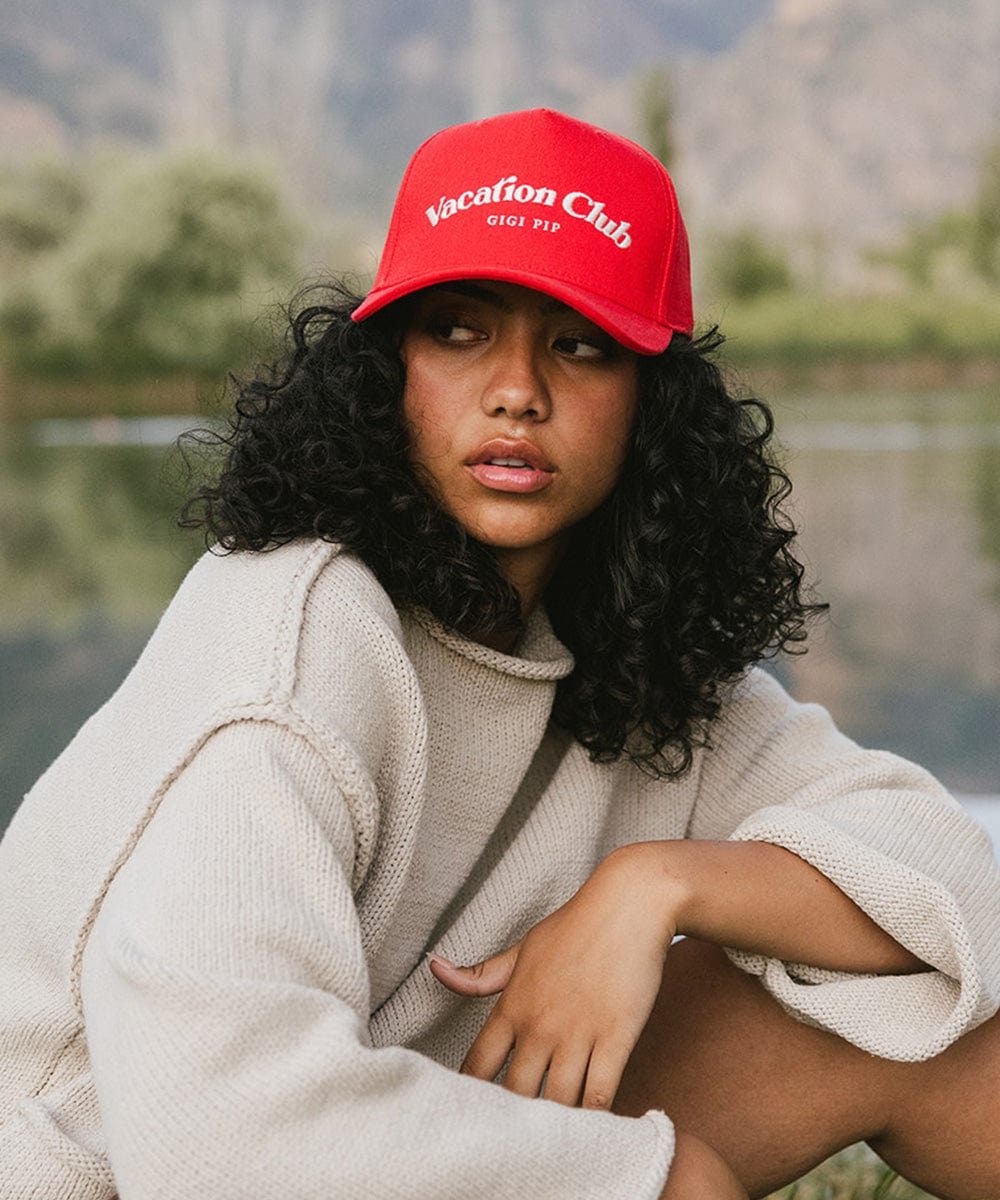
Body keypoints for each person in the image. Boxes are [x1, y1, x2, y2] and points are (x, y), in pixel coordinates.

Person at [1, 108, 998, 1200]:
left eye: (579, 344)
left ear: (652, 406)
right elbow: (219, 1142)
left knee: (934, 1015)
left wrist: (657, 884)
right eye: (460, 331)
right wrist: (655, 1182)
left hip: (384, 1141)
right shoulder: (294, 631)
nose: (517, 390)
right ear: (385, 374)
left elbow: (960, 885)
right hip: (115, 1180)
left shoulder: (630, 658)